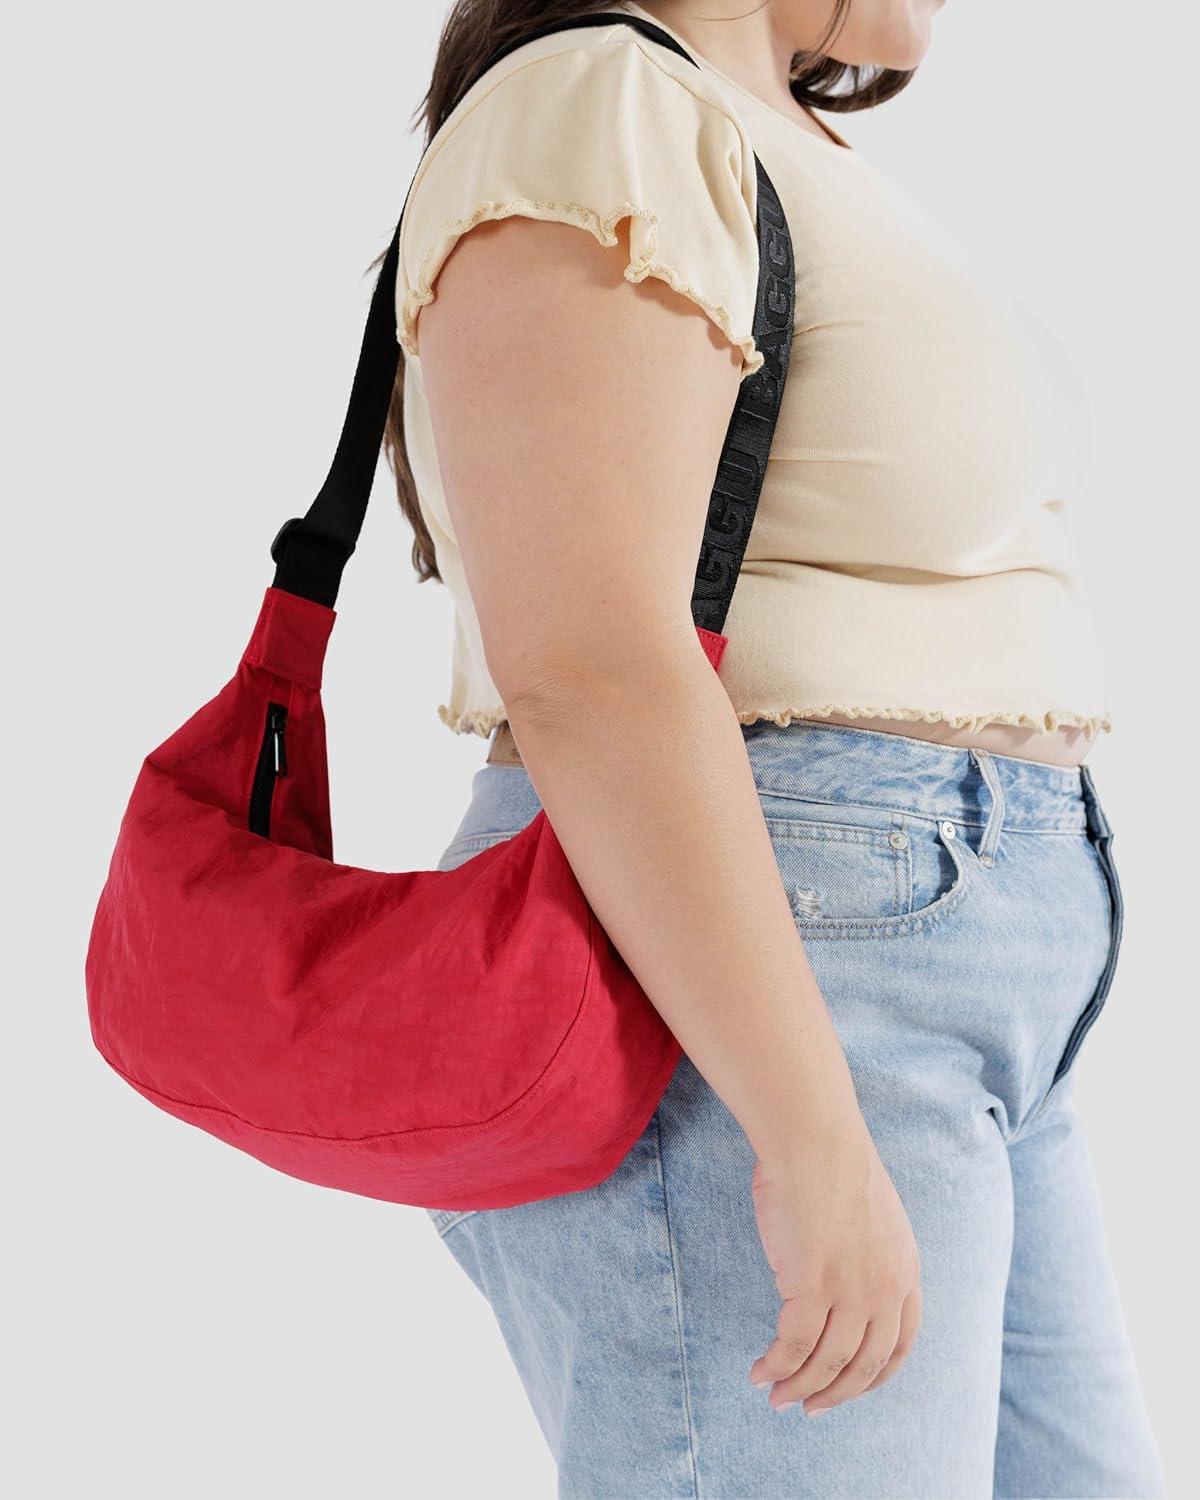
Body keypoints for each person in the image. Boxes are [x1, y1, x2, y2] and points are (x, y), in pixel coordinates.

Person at [388, 2, 1165, 1495]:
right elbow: (587, 659)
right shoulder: (604, 98)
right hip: (777, 971)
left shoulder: (758, 133)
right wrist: (807, 1133)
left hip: (945, 965)